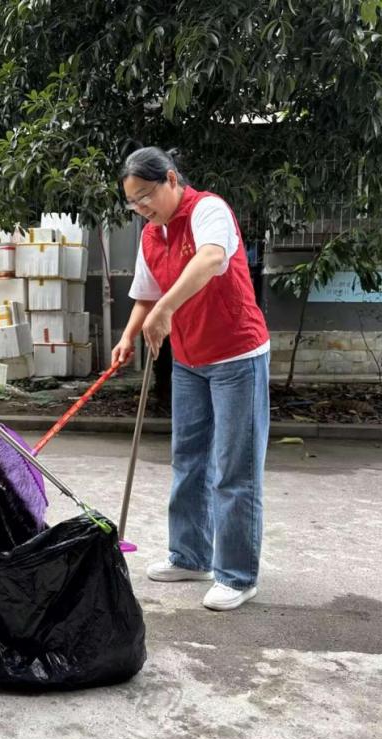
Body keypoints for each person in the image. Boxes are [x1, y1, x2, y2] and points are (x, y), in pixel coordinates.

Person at [113, 147, 270, 612]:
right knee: (188, 460)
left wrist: (165, 309)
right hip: (188, 359)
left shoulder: (207, 210)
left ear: (171, 179)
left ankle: (237, 576)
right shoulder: (151, 235)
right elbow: (146, 295)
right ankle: (190, 556)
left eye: (145, 195)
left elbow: (211, 259)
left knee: (234, 468)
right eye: (132, 202)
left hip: (237, 355)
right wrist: (127, 337)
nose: (141, 207)